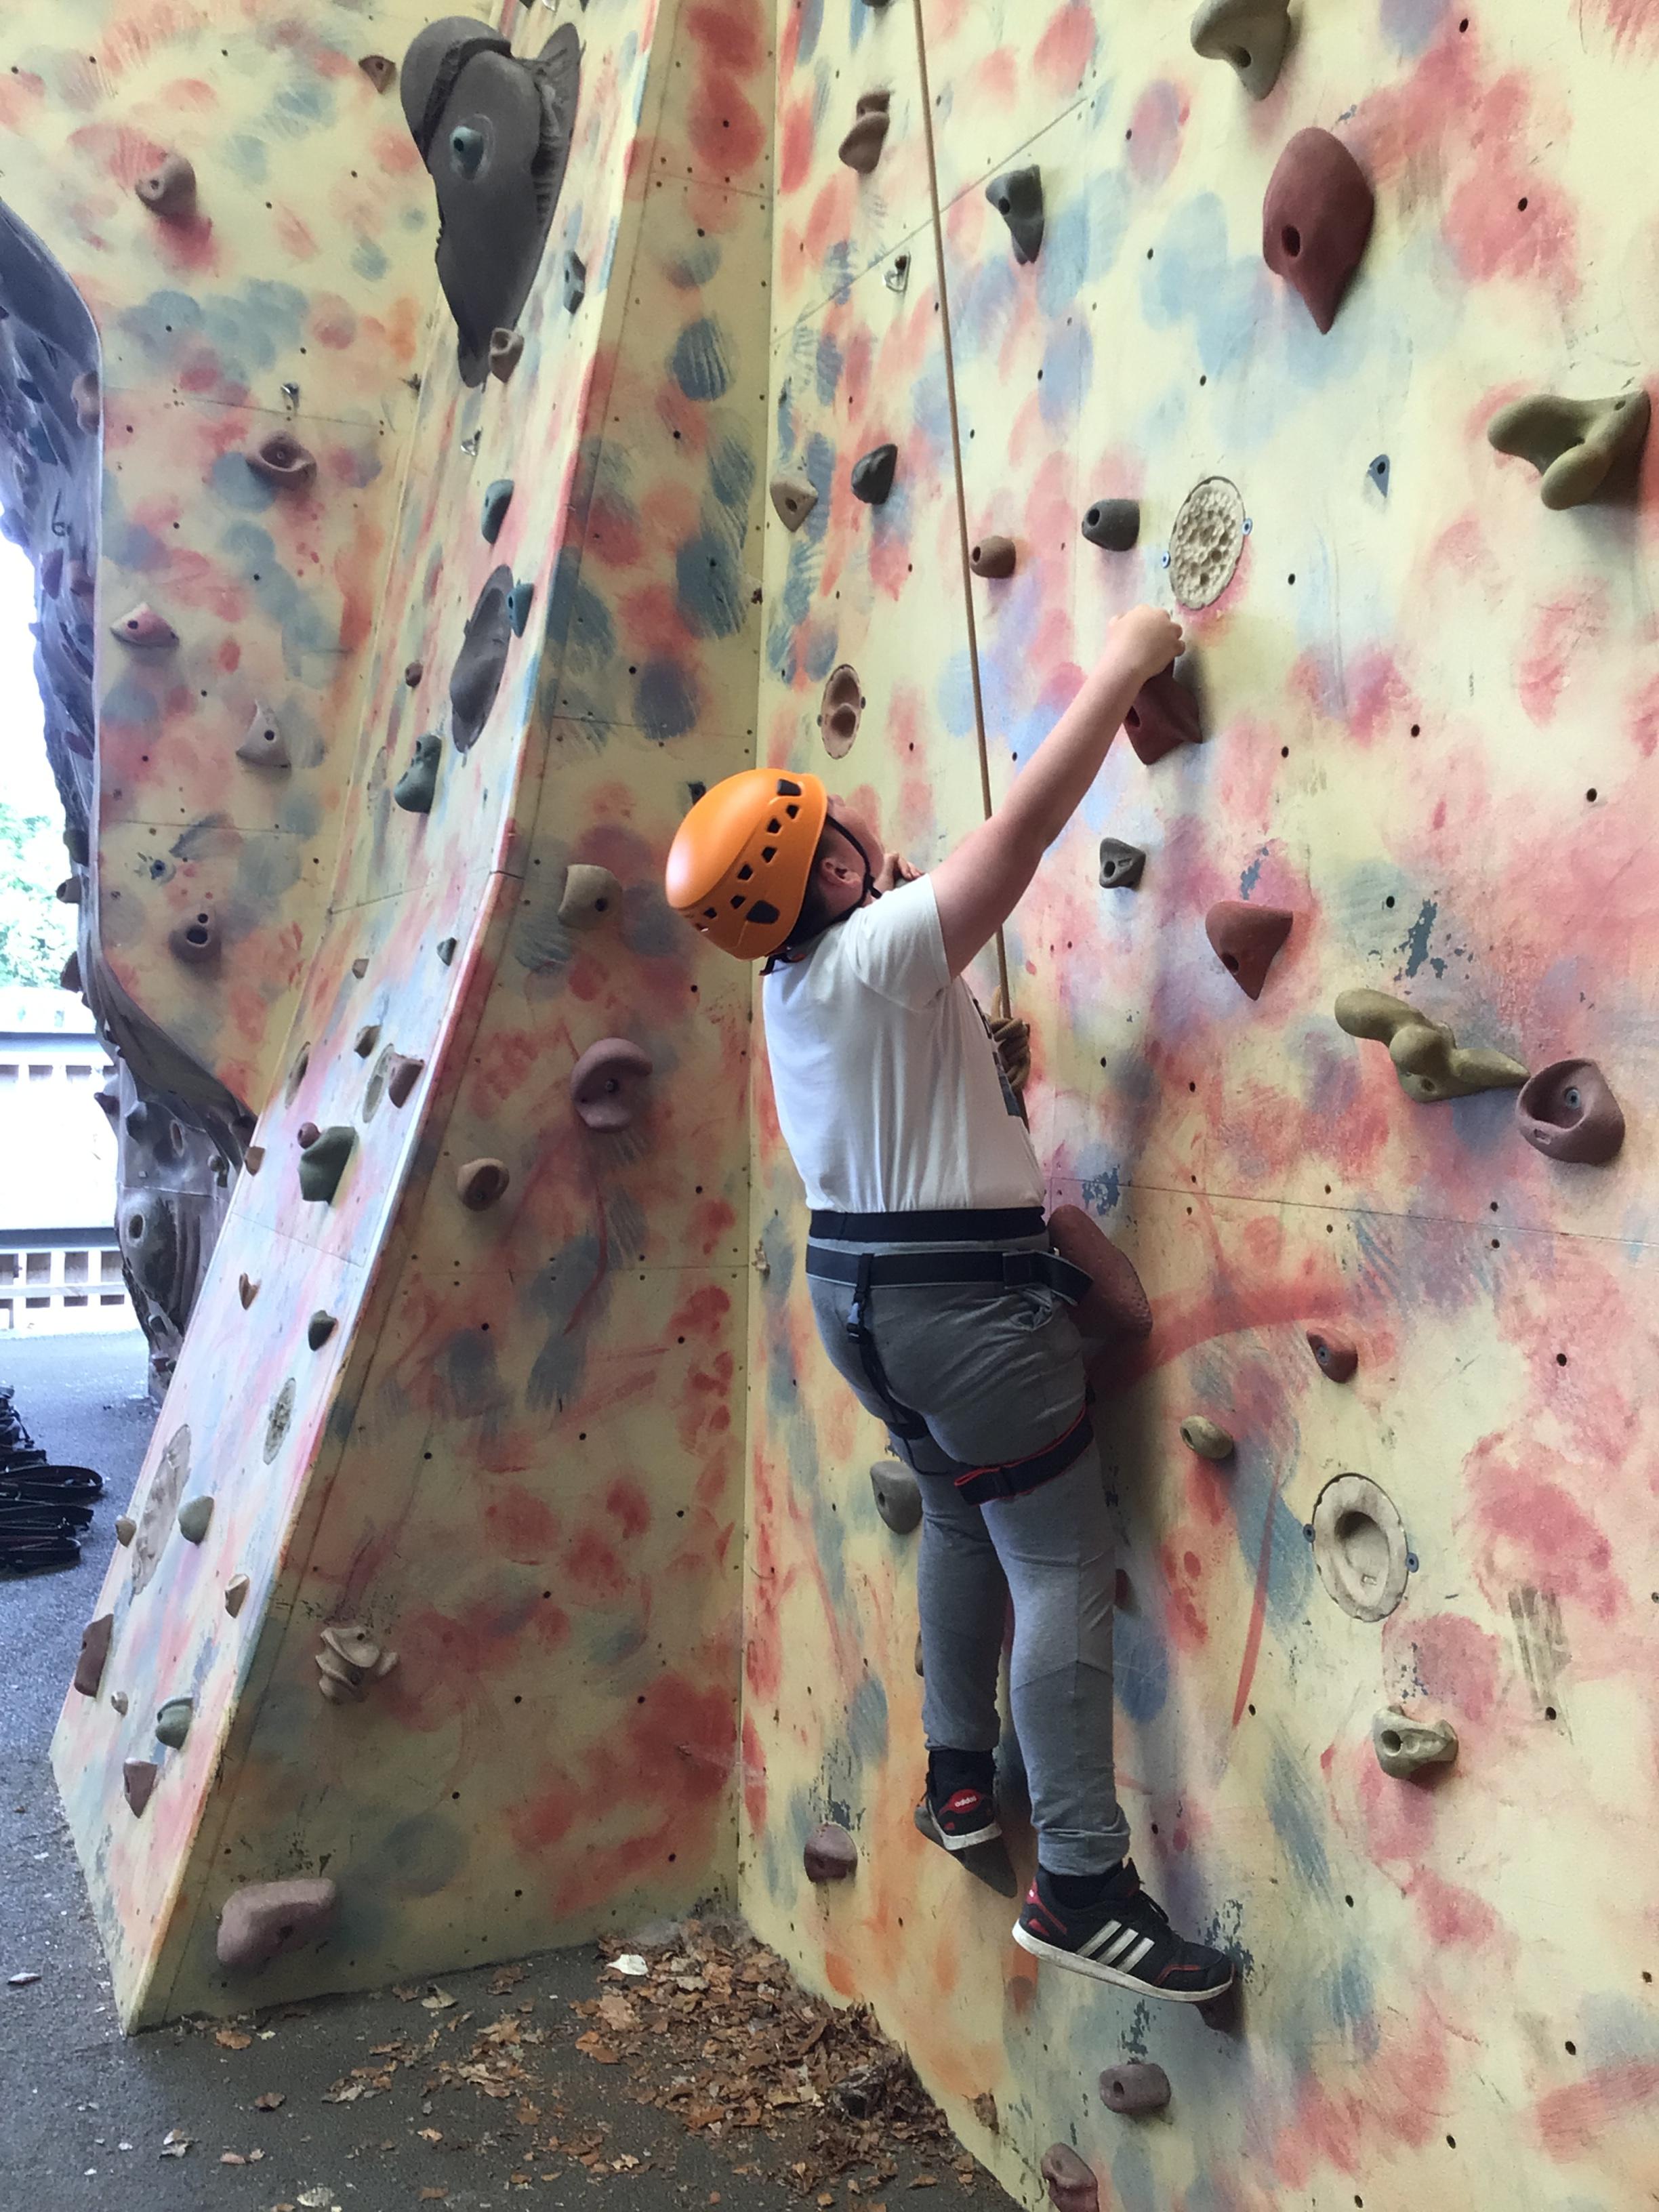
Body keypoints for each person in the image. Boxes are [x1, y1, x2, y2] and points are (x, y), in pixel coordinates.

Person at [665, 607, 1234, 2003]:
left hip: (864, 1303)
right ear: (833, 869)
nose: (870, 832)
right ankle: (1083, 1884)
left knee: (966, 1516)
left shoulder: (800, 984)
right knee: (1059, 1563)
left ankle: (960, 1777)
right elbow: (1022, 837)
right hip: (963, 1312)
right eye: (846, 833)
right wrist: (1124, 662)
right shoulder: (875, 952)